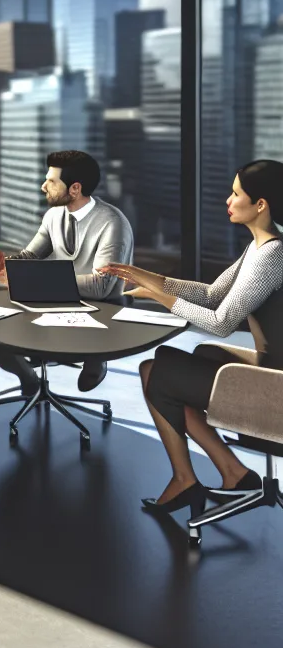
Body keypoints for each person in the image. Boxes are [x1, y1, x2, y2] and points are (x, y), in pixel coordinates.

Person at [100, 160, 283, 516]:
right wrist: (143, 275)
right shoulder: (261, 248)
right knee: (169, 366)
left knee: (161, 371)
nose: (228, 201)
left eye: (235, 194)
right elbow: (214, 294)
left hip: (275, 389)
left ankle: (188, 479)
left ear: (260, 204)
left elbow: (220, 321)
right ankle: (233, 473)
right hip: (270, 370)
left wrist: (161, 298)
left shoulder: (272, 255)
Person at [0, 150, 133, 394]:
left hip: (99, 309)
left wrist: (34, 281)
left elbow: (101, 285)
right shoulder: (54, 215)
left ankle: (95, 360)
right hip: (52, 301)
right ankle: (28, 378)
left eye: (51, 181)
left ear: (75, 188)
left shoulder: (112, 222)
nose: (44, 186)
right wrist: (9, 265)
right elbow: (30, 257)